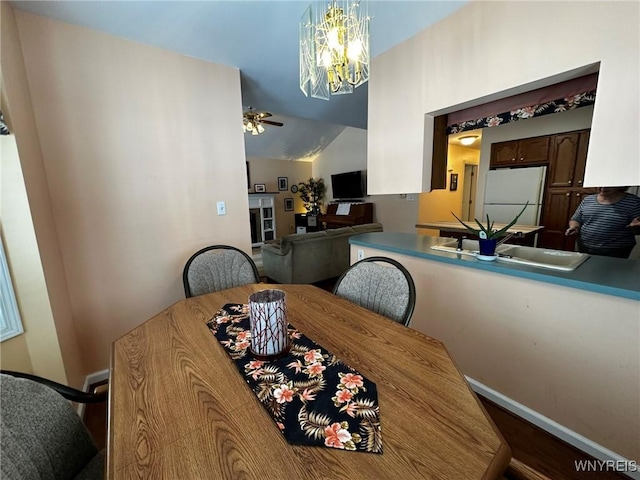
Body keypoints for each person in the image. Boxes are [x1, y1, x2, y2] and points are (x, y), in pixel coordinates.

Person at [565, 187, 640, 258]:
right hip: (584, 247)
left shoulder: (634, 202)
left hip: (616, 250)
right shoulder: (587, 200)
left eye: (608, 185)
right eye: (600, 185)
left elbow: (637, 228)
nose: (603, 188)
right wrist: (574, 227)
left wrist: (636, 228)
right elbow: (576, 218)